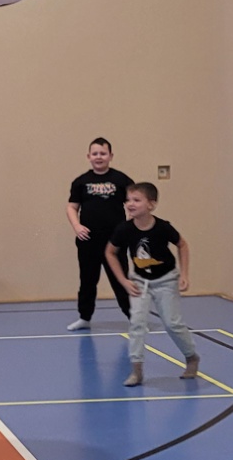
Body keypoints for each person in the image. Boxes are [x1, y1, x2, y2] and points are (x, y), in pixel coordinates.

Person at [106, 181, 200, 387]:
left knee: (172, 323)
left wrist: (184, 274)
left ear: (151, 204)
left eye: (136, 200)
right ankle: (137, 370)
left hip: (166, 280)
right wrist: (123, 280)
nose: (130, 204)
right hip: (140, 282)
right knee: (137, 324)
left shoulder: (163, 227)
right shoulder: (124, 229)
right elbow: (110, 252)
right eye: (128, 200)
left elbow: (182, 245)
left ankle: (191, 356)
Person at [66, 137, 133, 330]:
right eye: (95, 153)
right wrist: (77, 226)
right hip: (88, 240)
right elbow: (72, 207)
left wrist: (128, 226)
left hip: (114, 241)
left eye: (103, 153)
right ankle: (84, 317)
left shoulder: (121, 180)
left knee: (120, 279)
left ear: (111, 156)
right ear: (88, 156)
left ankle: (134, 317)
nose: (99, 157)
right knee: (88, 280)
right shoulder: (81, 182)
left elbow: (133, 203)